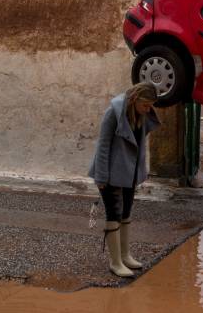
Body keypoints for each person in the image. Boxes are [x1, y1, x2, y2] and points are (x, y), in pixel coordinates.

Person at [88, 82, 160, 277]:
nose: (148, 109)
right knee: (114, 214)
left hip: (130, 173)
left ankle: (125, 255)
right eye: (146, 105)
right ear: (135, 99)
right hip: (110, 174)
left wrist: (140, 172)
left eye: (150, 106)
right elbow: (103, 146)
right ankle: (115, 262)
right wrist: (101, 177)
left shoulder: (140, 114)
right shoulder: (114, 112)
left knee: (126, 212)